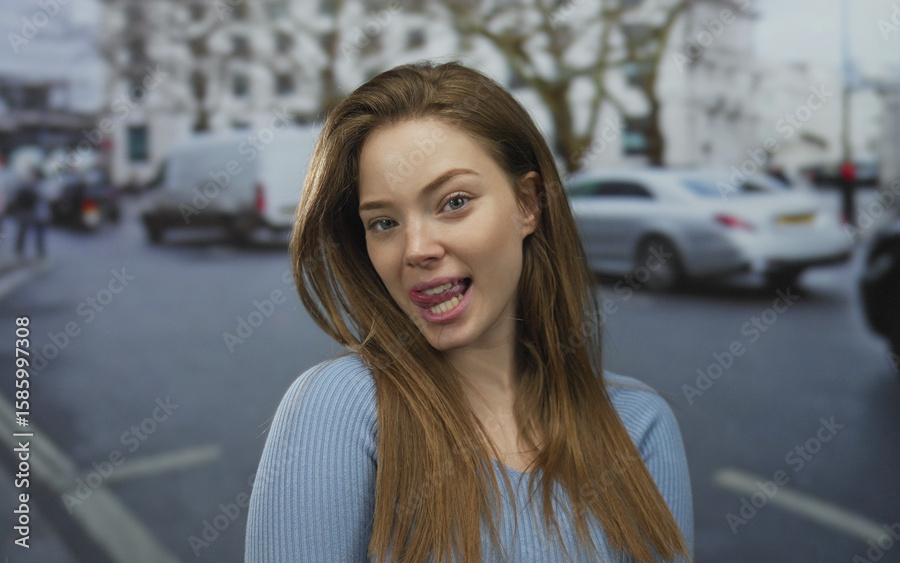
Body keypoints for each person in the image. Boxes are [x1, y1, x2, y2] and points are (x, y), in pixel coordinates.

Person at [245, 61, 694, 562]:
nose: (416, 248)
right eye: (384, 222)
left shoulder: (641, 424)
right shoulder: (338, 409)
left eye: (454, 201)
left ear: (527, 204)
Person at [12, 166, 47, 261]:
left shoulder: (38, 187)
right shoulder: (22, 187)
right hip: (25, 213)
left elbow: (43, 200)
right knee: (22, 232)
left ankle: (40, 254)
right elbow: (17, 200)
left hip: (37, 214)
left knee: (38, 235)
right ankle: (19, 252)